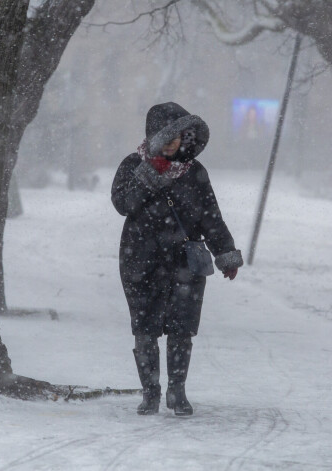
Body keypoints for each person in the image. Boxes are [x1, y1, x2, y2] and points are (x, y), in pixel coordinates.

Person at [111, 102, 243, 416]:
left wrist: (226, 254)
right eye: (167, 136)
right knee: (144, 327)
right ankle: (150, 393)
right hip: (140, 259)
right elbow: (123, 203)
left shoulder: (195, 172)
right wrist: (150, 174)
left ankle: (177, 392)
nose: (174, 142)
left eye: (179, 135)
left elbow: (212, 217)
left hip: (186, 261)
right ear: (153, 135)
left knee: (182, 327)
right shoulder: (132, 166)